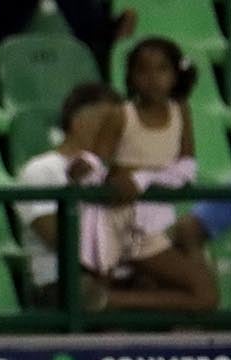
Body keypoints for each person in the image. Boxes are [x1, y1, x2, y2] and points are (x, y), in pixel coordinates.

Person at [15, 82, 214, 312]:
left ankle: (109, 301)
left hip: (126, 276)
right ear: (79, 122)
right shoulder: (42, 169)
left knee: (199, 288)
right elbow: (60, 238)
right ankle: (105, 302)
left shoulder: (119, 175)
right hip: (66, 281)